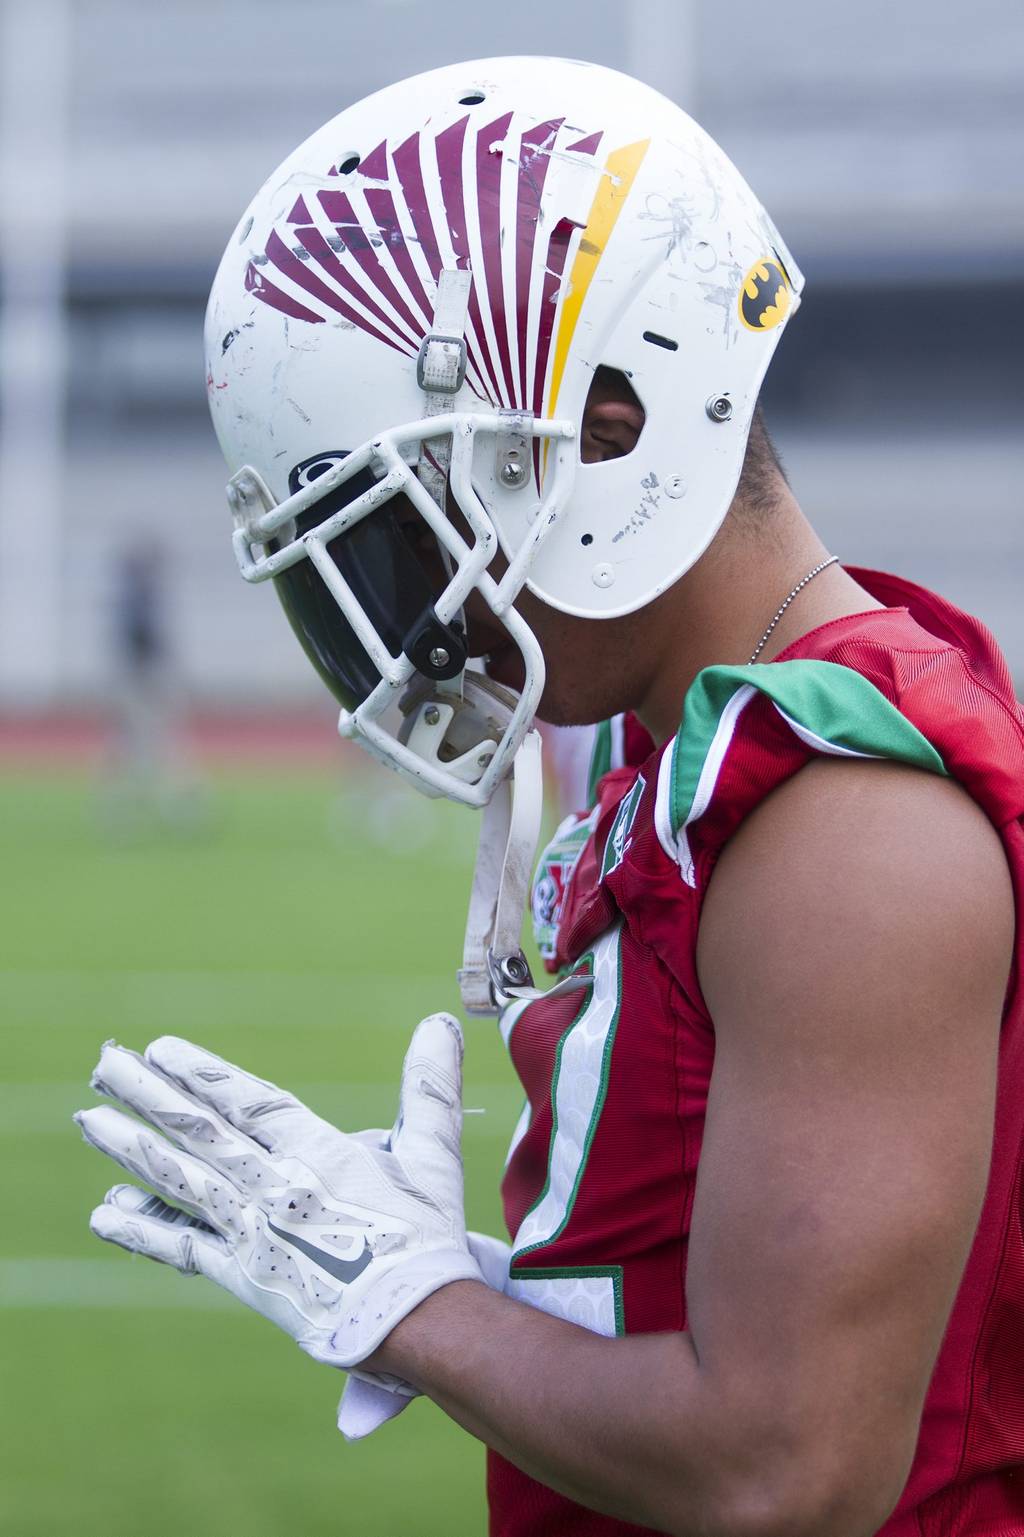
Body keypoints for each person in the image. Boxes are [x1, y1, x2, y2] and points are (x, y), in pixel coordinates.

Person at [76, 59, 1024, 1536]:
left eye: (425, 520)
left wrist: (420, 1308)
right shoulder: (685, 738)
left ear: (610, 433)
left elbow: (788, 1465)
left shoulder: (846, 820)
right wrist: (496, 1284)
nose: (415, 618)